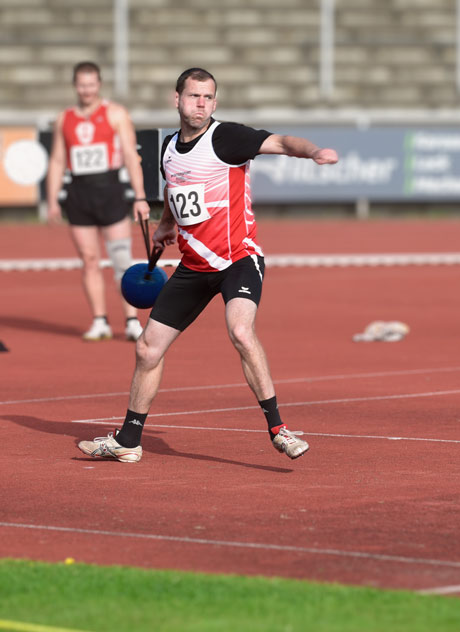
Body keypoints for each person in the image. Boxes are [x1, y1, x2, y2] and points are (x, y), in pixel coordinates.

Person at [77, 67, 339, 464]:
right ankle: (129, 440)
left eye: (208, 97)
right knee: (147, 349)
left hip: (239, 260)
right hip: (194, 266)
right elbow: (175, 193)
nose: (201, 103)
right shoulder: (167, 149)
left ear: (214, 103)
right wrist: (166, 227)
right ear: (177, 99)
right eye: (194, 96)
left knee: (240, 330)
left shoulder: (227, 137)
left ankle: (278, 429)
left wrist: (314, 151)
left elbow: (283, 142)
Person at [45, 61, 151, 342]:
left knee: (121, 260)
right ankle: (100, 320)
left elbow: (131, 156)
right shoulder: (64, 118)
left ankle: (131, 321)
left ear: (99, 85)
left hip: (111, 192)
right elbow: (57, 159)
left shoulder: (115, 114)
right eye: (82, 85)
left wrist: (139, 196)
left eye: (91, 85)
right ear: (75, 86)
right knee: (90, 260)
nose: (87, 90)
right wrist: (52, 198)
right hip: (79, 195)